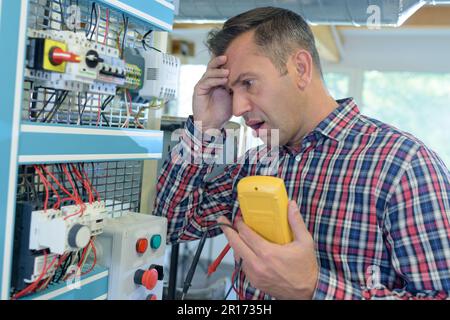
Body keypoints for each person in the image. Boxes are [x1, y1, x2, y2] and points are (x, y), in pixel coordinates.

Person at [153, 7, 450, 300]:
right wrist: (204, 130)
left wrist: (311, 288)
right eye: (231, 92)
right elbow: (172, 224)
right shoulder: (257, 163)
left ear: (300, 69)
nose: (238, 108)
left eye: (248, 83)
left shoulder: (404, 166)